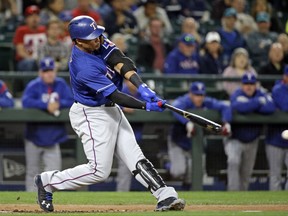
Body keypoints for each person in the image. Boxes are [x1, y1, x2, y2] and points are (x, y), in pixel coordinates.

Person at [34, 15, 185, 212]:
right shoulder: (83, 67)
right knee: (99, 171)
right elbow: (117, 96)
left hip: (110, 109)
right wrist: (146, 105)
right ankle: (48, 182)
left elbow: (120, 60)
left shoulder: (97, 42)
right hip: (91, 114)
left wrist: (141, 87)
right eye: (92, 38)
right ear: (78, 41)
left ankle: (164, 194)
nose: (98, 39)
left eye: (97, 35)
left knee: (134, 156)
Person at [167, 81, 232, 190]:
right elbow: (175, 107)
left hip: (195, 143)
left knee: (192, 175)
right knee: (178, 171)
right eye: (196, 95)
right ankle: (167, 165)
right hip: (178, 141)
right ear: (190, 94)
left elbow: (225, 107)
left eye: (201, 95)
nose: (199, 98)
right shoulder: (184, 100)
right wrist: (187, 122)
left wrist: (226, 122)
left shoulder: (207, 102)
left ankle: (187, 196)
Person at [22, 57, 74, 191]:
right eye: (45, 71)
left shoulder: (61, 84)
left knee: (53, 174)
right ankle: (29, 203)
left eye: (51, 70)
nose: (49, 74)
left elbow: (71, 100)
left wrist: (58, 104)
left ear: (55, 71)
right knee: (32, 172)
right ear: (40, 72)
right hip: (34, 136)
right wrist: (46, 105)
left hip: (53, 137)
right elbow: (26, 102)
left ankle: (48, 200)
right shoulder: (34, 85)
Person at [226, 72, 275, 191]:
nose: (249, 86)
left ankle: (241, 200)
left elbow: (271, 107)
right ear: (242, 85)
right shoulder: (237, 93)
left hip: (253, 140)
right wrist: (258, 102)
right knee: (233, 162)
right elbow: (239, 107)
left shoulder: (261, 93)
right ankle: (232, 195)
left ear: (256, 85)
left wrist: (250, 104)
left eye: (252, 84)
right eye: (246, 83)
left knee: (246, 173)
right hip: (235, 138)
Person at [265, 66, 288, 190]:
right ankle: (275, 206)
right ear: (285, 77)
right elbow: (285, 106)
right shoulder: (278, 89)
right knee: (275, 176)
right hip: (275, 138)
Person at [13, 5, 46, 72]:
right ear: (26, 19)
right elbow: (20, 51)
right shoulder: (21, 31)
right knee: (30, 63)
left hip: (42, 59)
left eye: (36, 15)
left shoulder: (44, 30)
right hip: (26, 61)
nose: (34, 18)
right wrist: (33, 59)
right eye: (31, 16)